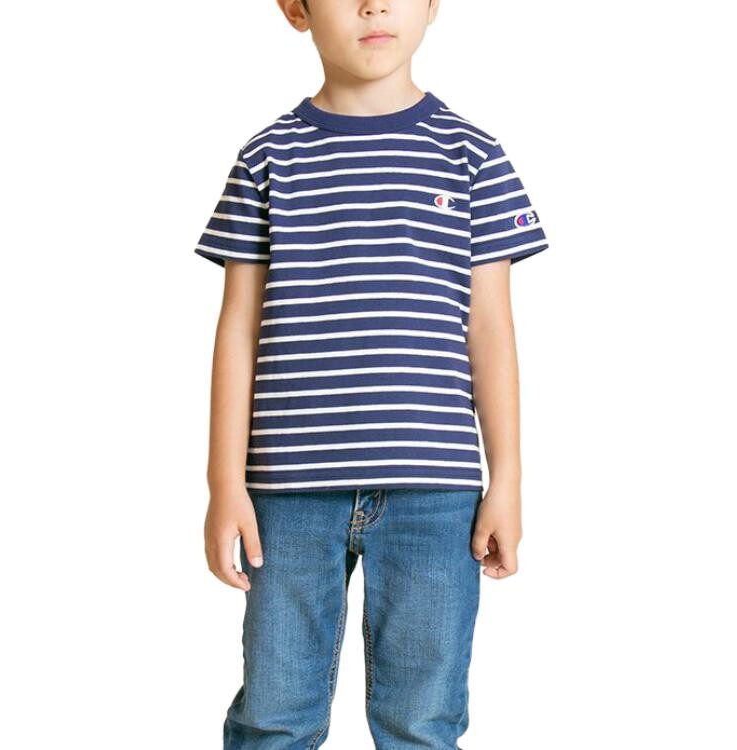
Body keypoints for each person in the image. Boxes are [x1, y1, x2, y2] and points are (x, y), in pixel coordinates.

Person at [193, 1, 550, 748]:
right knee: (275, 716)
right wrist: (224, 483)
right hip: (288, 492)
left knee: (421, 721)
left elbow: (491, 329)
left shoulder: (474, 156)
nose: (373, 4)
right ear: (296, 8)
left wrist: (508, 479)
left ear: (433, 5)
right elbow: (237, 330)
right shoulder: (268, 158)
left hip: (436, 493)